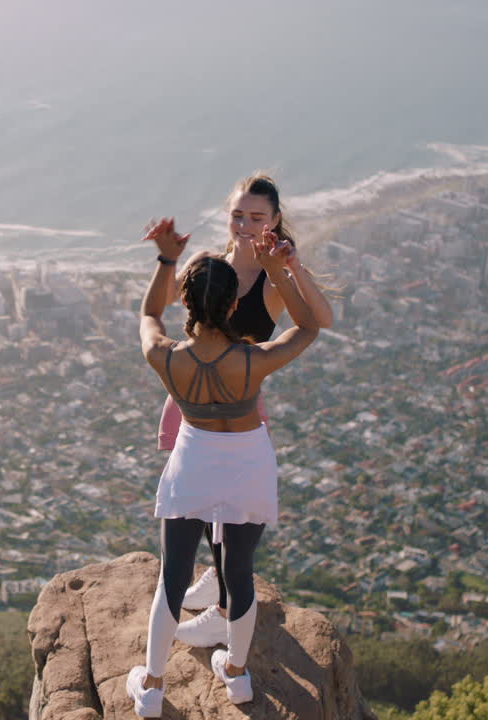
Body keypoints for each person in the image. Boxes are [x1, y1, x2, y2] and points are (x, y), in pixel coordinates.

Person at [125, 229, 319, 715]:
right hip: (248, 464)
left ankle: (150, 687)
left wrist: (166, 260)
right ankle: (236, 676)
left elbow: (148, 314)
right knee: (239, 571)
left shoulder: (167, 359)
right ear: (233, 305)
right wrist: (278, 272)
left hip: (193, 461)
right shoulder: (252, 360)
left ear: (186, 305)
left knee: (173, 575)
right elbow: (308, 327)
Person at [147, 174, 334, 649]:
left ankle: (225, 606)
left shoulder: (271, 277)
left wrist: (287, 268)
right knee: (199, 496)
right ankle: (217, 579)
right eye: (238, 215)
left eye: (257, 217)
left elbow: (320, 319)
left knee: (230, 500)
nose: (245, 225)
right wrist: (169, 259)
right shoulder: (209, 264)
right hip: (191, 399)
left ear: (275, 221)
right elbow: (170, 298)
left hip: (241, 403)